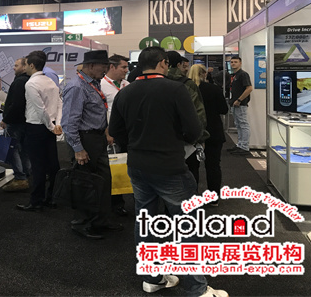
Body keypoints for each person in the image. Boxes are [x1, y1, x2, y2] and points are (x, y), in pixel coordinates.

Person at [108, 46, 228, 297]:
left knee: (145, 222)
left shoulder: (124, 93)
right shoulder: (176, 89)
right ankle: (197, 288)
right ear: (163, 63)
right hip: (170, 166)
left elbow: (116, 131)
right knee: (186, 226)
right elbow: (194, 129)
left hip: (138, 166)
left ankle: (152, 278)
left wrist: (137, 143)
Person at [62, 50, 119, 240]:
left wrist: (105, 132)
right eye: (104, 66)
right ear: (91, 65)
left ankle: (101, 220)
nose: (106, 69)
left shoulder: (93, 84)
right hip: (84, 139)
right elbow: (69, 123)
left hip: (97, 138)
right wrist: (78, 149)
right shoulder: (77, 87)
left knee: (102, 181)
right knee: (85, 184)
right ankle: (82, 223)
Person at [16, 51, 62, 211]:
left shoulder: (31, 84)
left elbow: (40, 109)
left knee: (37, 166)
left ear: (31, 65)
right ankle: (52, 197)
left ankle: (36, 201)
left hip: (36, 127)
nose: (24, 67)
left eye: (25, 64)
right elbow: (59, 103)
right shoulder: (50, 81)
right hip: (50, 127)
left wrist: (50, 126)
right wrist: (56, 125)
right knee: (52, 164)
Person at [189, 64, 229, 200]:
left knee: (192, 166)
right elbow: (224, 109)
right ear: (204, 73)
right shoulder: (214, 89)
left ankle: (192, 196)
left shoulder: (186, 89)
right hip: (213, 131)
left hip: (193, 132)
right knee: (213, 165)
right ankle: (214, 197)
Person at [100, 54, 130, 216]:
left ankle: (125, 201)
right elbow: (100, 112)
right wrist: (107, 132)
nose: (126, 70)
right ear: (112, 67)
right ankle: (114, 203)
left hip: (128, 134)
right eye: (123, 67)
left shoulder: (127, 84)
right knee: (112, 169)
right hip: (110, 134)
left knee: (127, 167)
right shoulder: (101, 85)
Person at [0, 57, 32, 192]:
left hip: (16, 122)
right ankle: (26, 174)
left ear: (24, 67)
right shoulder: (29, 81)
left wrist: (6, 119)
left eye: (16, 65)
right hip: (26, 121)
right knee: (24, 150)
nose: (14, 67)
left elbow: (16, 104)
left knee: (12, 149)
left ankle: (20, 177)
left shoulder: (19, 82)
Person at [228, 55, 253, 155]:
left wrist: (239, 100)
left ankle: (244, 146)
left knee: (243, 124)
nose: (233, 64)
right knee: (238, 124)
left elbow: (249, 88)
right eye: (232, 62)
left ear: (240, 63)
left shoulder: (243, 74)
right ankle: (240, 144)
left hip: (240, 104)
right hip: (234, 103)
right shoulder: (234, 75)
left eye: (235, 62)